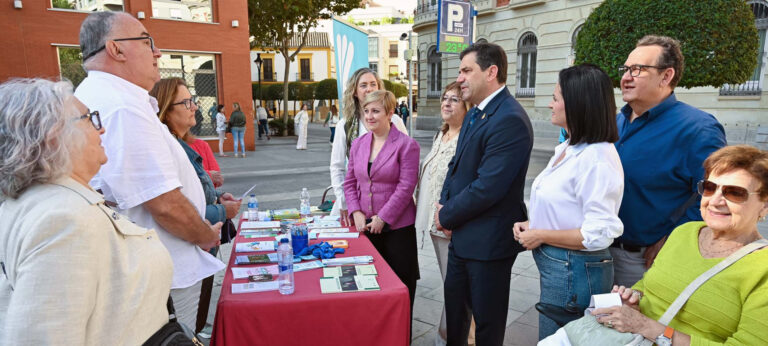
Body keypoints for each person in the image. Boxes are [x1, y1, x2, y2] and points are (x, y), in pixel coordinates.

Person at [74, 11, 224, 330]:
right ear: (116, 49)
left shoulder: (110, 98)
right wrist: (205, 235)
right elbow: (163, 203)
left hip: (154, 268)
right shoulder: (122, 106)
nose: (157, 52)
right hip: (165, 273)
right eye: (147, 41)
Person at [0, 78, 173, 344]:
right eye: (90, 119)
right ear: (54, 134)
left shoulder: (49, 202)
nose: (101, 130)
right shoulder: (62, 219)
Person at [543, 145, 768, 346]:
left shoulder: (761, 268)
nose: (715, 200)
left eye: (734, 193)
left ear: (764, 206)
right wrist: (632, 298)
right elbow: (648, 286)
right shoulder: (685, 232)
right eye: (710, 187)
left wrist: (646, 327)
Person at [512, 64, 624, 339]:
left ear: (577, 104)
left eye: (556, 98)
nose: (550, 104)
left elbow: (597, 234)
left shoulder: (596, 158)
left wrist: (540, 234)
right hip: (562, 268)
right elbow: (568, 206)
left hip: (573, 271)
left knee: (558, 340)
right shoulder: (571, 148)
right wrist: (533, 224)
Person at [434, 42, 533, 345]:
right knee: (456, 321)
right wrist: (445, 200)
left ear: (491, 72)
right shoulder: (476, 113)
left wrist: (445, 214)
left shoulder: (510, 119)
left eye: (466, 70)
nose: (460, 77)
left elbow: (487, 187)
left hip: (489, 245)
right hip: (463, 239)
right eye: (459, 70)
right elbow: (456, 165)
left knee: (487, 328)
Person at [611, 35, 727, 287]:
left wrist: (675, 240)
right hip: (597, 254)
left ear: (666, 76)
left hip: (643, 262)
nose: (626, 77)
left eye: (638, 69)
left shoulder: (698, 129)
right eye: (626, 69)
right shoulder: (615, 122)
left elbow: (715, 196)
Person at [150, 78, 242, 335]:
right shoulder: (168, 146)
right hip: (182, 258)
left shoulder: (181, 144)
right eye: (186, 102)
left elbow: (195, 195)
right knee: (184, 328)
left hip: (195, 252)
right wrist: (224, 211)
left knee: (193, 323)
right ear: (167, 110)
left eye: (193, 101)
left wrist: (218, 195)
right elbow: (181, 208)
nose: (194, 107)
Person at [343, 90, 420, 338]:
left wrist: (384, 217)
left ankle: (400, 338)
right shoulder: (358, 144)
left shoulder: (407, 145)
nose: (369, 116)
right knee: (370, 289)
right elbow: (349, 182)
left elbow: (407, 186)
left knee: (400, 290)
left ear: (390, 113)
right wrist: (355, 211)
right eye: (366, 111)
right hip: (365, 228)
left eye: (375, 111)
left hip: (398, 231)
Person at [414, 81, 475, 346]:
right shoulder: (442, 134)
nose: (447, 103)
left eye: (455, 99)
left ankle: (452, 338)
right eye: (445, 98)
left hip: (451, 226)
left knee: (458, 290)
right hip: (435, 224)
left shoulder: (467, 138)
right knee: (454, 288)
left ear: (467, 106)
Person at [330, 68, 408, 225]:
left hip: (391, 202)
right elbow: (337, 167)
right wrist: (343, 201)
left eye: (373, 84)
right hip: (356, 204)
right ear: (354, 92)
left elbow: (407, 165)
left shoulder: (395, 121)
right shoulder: (345, 125)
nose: (369, 89)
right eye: (363, 85)